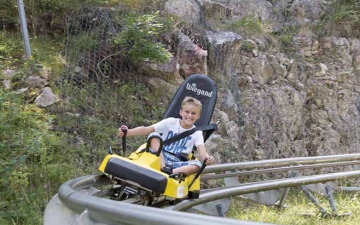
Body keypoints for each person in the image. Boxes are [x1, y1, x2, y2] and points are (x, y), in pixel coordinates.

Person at [118, 96, 215, 175]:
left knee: (197, 165)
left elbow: (202, 151)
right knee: (154, 135)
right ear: (181, 112)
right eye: (187, 112)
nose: (189, 116)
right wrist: (128, 132)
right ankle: (163, 168)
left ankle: (170, 173)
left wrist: (207, 158)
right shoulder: (170, 122)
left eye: (193, 113)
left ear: (198, 116)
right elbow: (147, 129)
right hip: (160, 156)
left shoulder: (197, 133)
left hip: (177, 161)